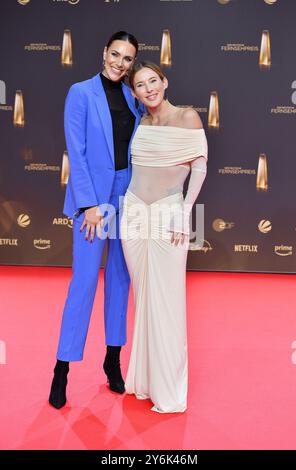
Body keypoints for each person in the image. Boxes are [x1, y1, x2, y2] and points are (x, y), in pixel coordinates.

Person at [49, 31, 142, 409]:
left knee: (120, 280)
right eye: (115, 54)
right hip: (94, 201)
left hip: (128, 195)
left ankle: (112, 359)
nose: (119, 63)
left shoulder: (132, 97)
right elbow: (77, 149)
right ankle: (62, 369)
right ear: (104, 52)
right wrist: (89, 204)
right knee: (84, 282)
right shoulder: (81, 92)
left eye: (127, 59)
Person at [120, 62, 208, 413]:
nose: (148, 89)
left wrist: (184, 214)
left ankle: (169, 390)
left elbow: (199, 168)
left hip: (169, 214)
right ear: (135, 92)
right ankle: (143, 380)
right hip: (133, 213)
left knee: (168, 303)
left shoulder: (188, 118)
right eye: (140, 85)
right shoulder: (141, 122)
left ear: (165, 81)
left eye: (153, 81)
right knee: (143, 299)